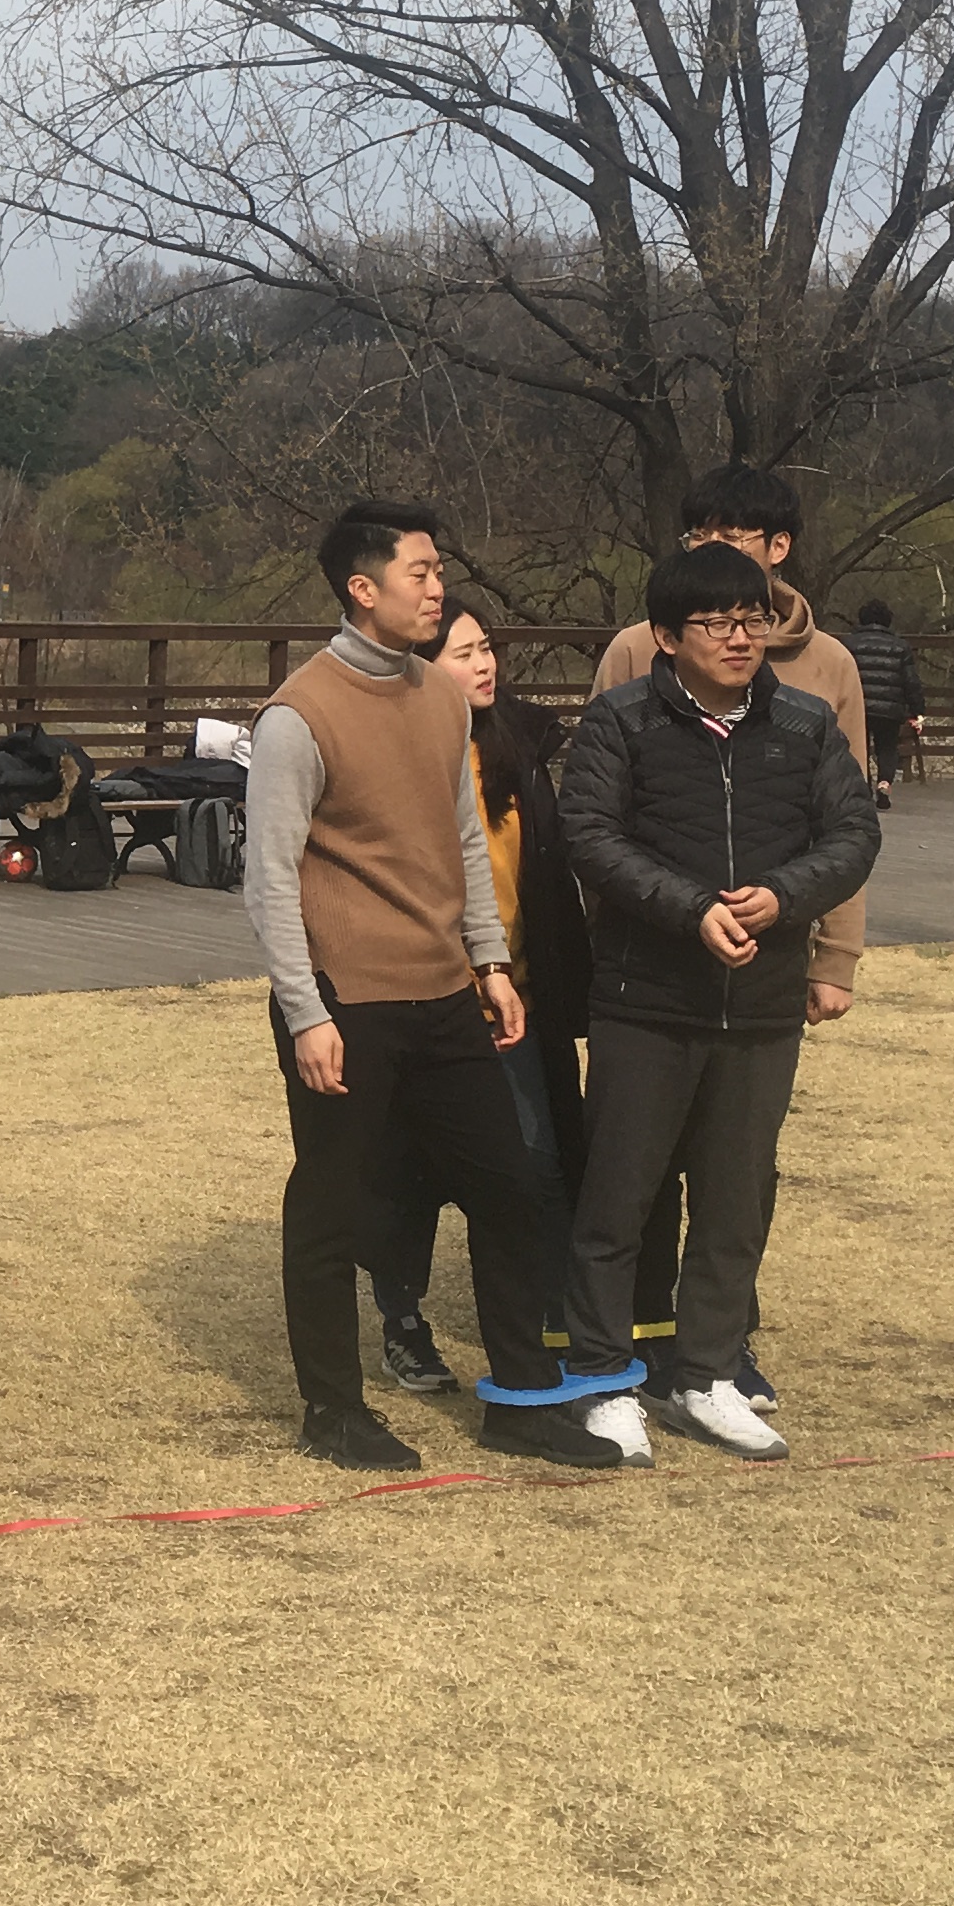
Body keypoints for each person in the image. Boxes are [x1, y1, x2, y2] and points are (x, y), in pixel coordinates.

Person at [247, 501, 620, 1473]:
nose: (436, 588)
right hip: (344, 1001)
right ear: (361, 588)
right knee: (334, 1206)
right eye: (418, 572)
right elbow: (270, 879)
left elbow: (461, 840)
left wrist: (490, 963)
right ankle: (333, 1411)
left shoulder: (443, 702)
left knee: (511, 1188)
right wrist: (306, 1013)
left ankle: (521, 1400)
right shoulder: (297, 716)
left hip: (446, 991)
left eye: (437, 571)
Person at [555, 544, 881, 1465]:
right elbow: (589, 834)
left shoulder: (805, 725)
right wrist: (690, 908)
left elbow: (853, 833)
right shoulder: (621, 720)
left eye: (754, 620)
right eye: (718, 623)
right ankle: (601, 1375)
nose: (741, 638)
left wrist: (784, 896)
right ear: (667, 637)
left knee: (737, 1202)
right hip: (646, 999)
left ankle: (706, 1373)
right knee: (619, 1198)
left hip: (762, 1005)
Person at [359, 591, 594, 1400]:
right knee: (413, 1171)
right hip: (426, 996)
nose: (485, 664)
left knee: (538, 1160)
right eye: (463, 654)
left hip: (515, 995)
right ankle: (403, 1322)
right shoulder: (400, 754)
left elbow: (544, 878)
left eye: (487, 647)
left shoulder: (516, 747)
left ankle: (553, 1319)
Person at [841, 600, 927, 804]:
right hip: (890, 707)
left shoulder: (848, 643)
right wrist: (917, 710)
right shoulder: (900, 646)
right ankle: (884, 783)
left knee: (859, 746)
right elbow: (911, 681)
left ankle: (864, 785)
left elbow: (839, 675)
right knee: (887, 747)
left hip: (858, 706)